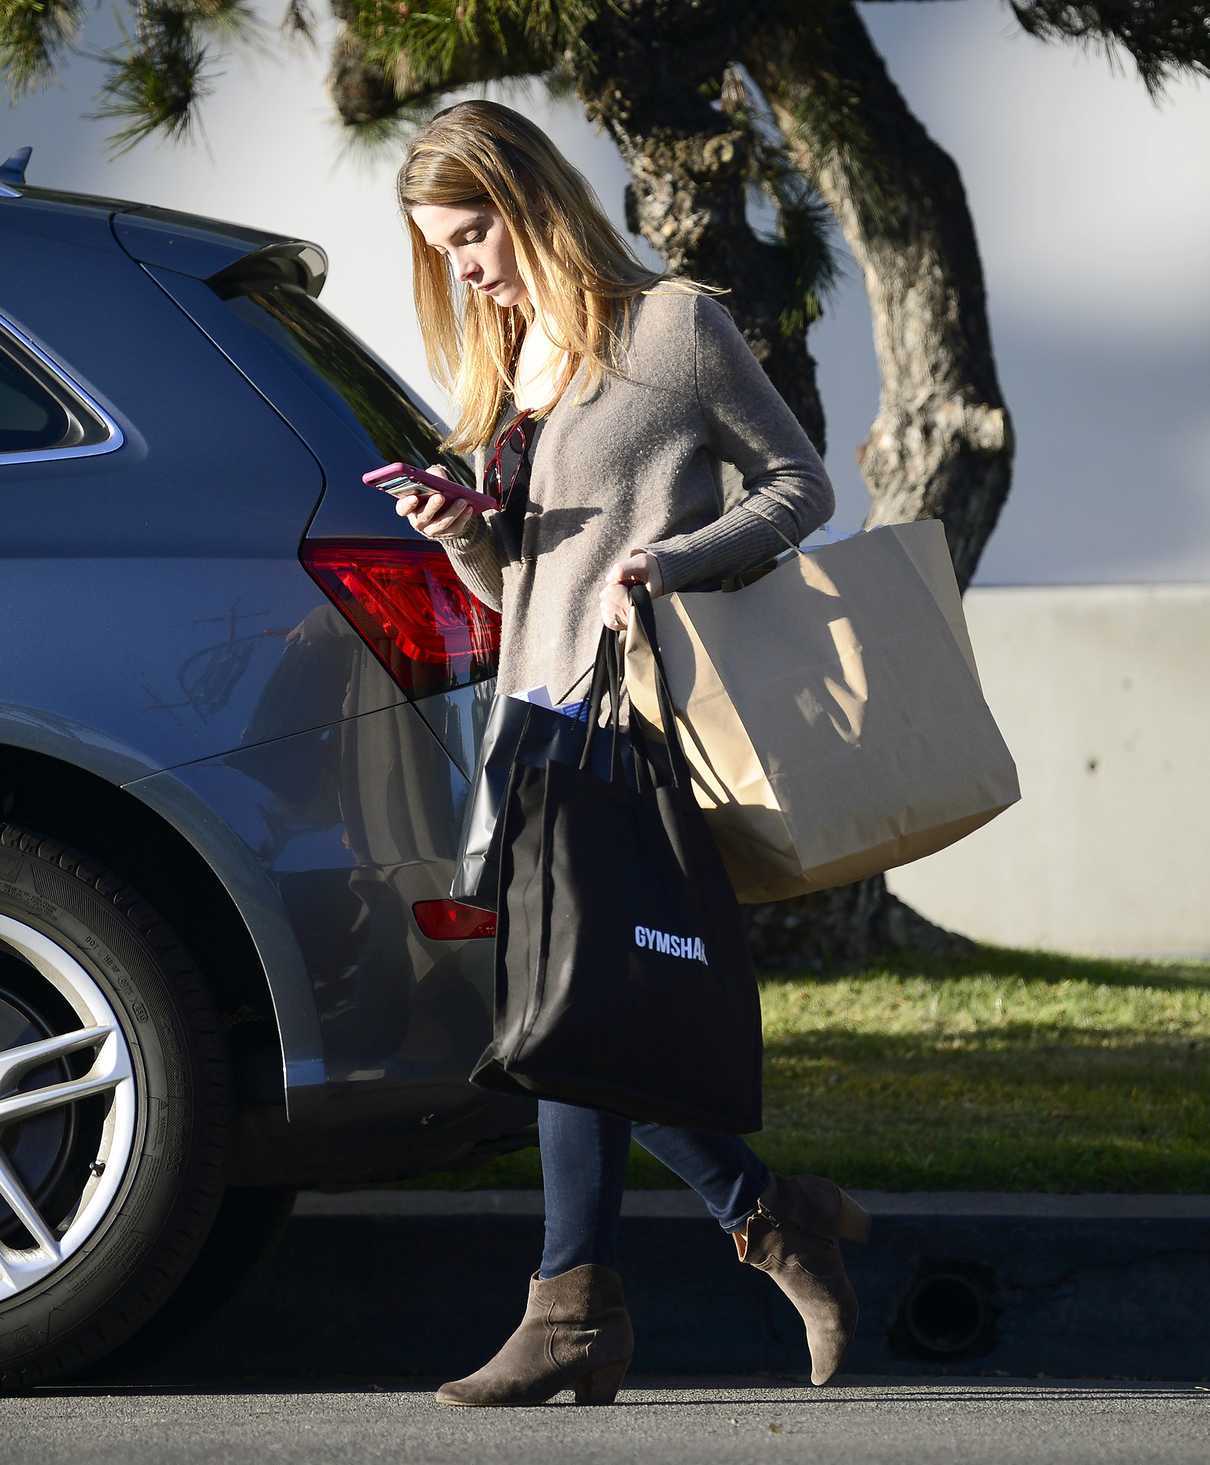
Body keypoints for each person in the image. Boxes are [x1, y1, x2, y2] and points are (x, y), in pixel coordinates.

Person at [392, 98, 870, 1407]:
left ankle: (591, 1306)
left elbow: (800, 484)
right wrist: (462, 534)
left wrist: (672, 562)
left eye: (472, 231)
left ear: (529, 195)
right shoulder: (507, 362)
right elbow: (521, 596)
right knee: (576, 1023)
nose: (464, 267)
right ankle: (757, 1229)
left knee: (570, 1022)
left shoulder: (672, 326)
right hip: (534, 726)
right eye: (442, 249)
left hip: (630, 724)